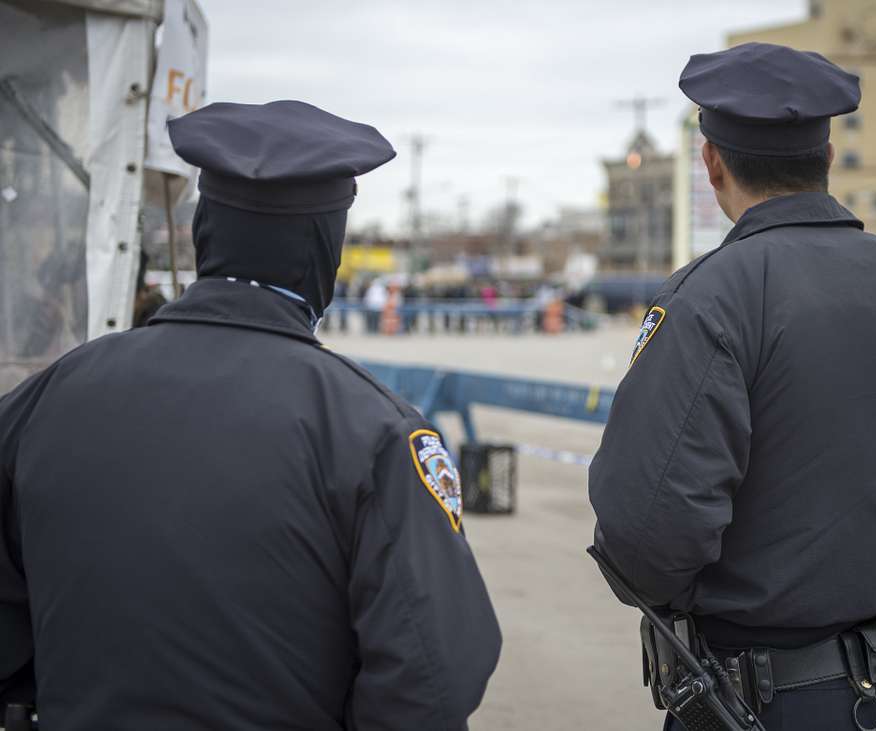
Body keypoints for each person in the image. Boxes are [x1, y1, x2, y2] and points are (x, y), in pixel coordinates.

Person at [0, 100, 501, 731]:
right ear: (325, 250)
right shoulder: (371, 430)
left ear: (204, 233)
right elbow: (430, 679)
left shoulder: (47, 397)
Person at [589, 42, 876, 731]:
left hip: (765, 702)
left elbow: (643, 537)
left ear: (712, 163)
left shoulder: (710, 300)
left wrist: (768, 582)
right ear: (828, 157)